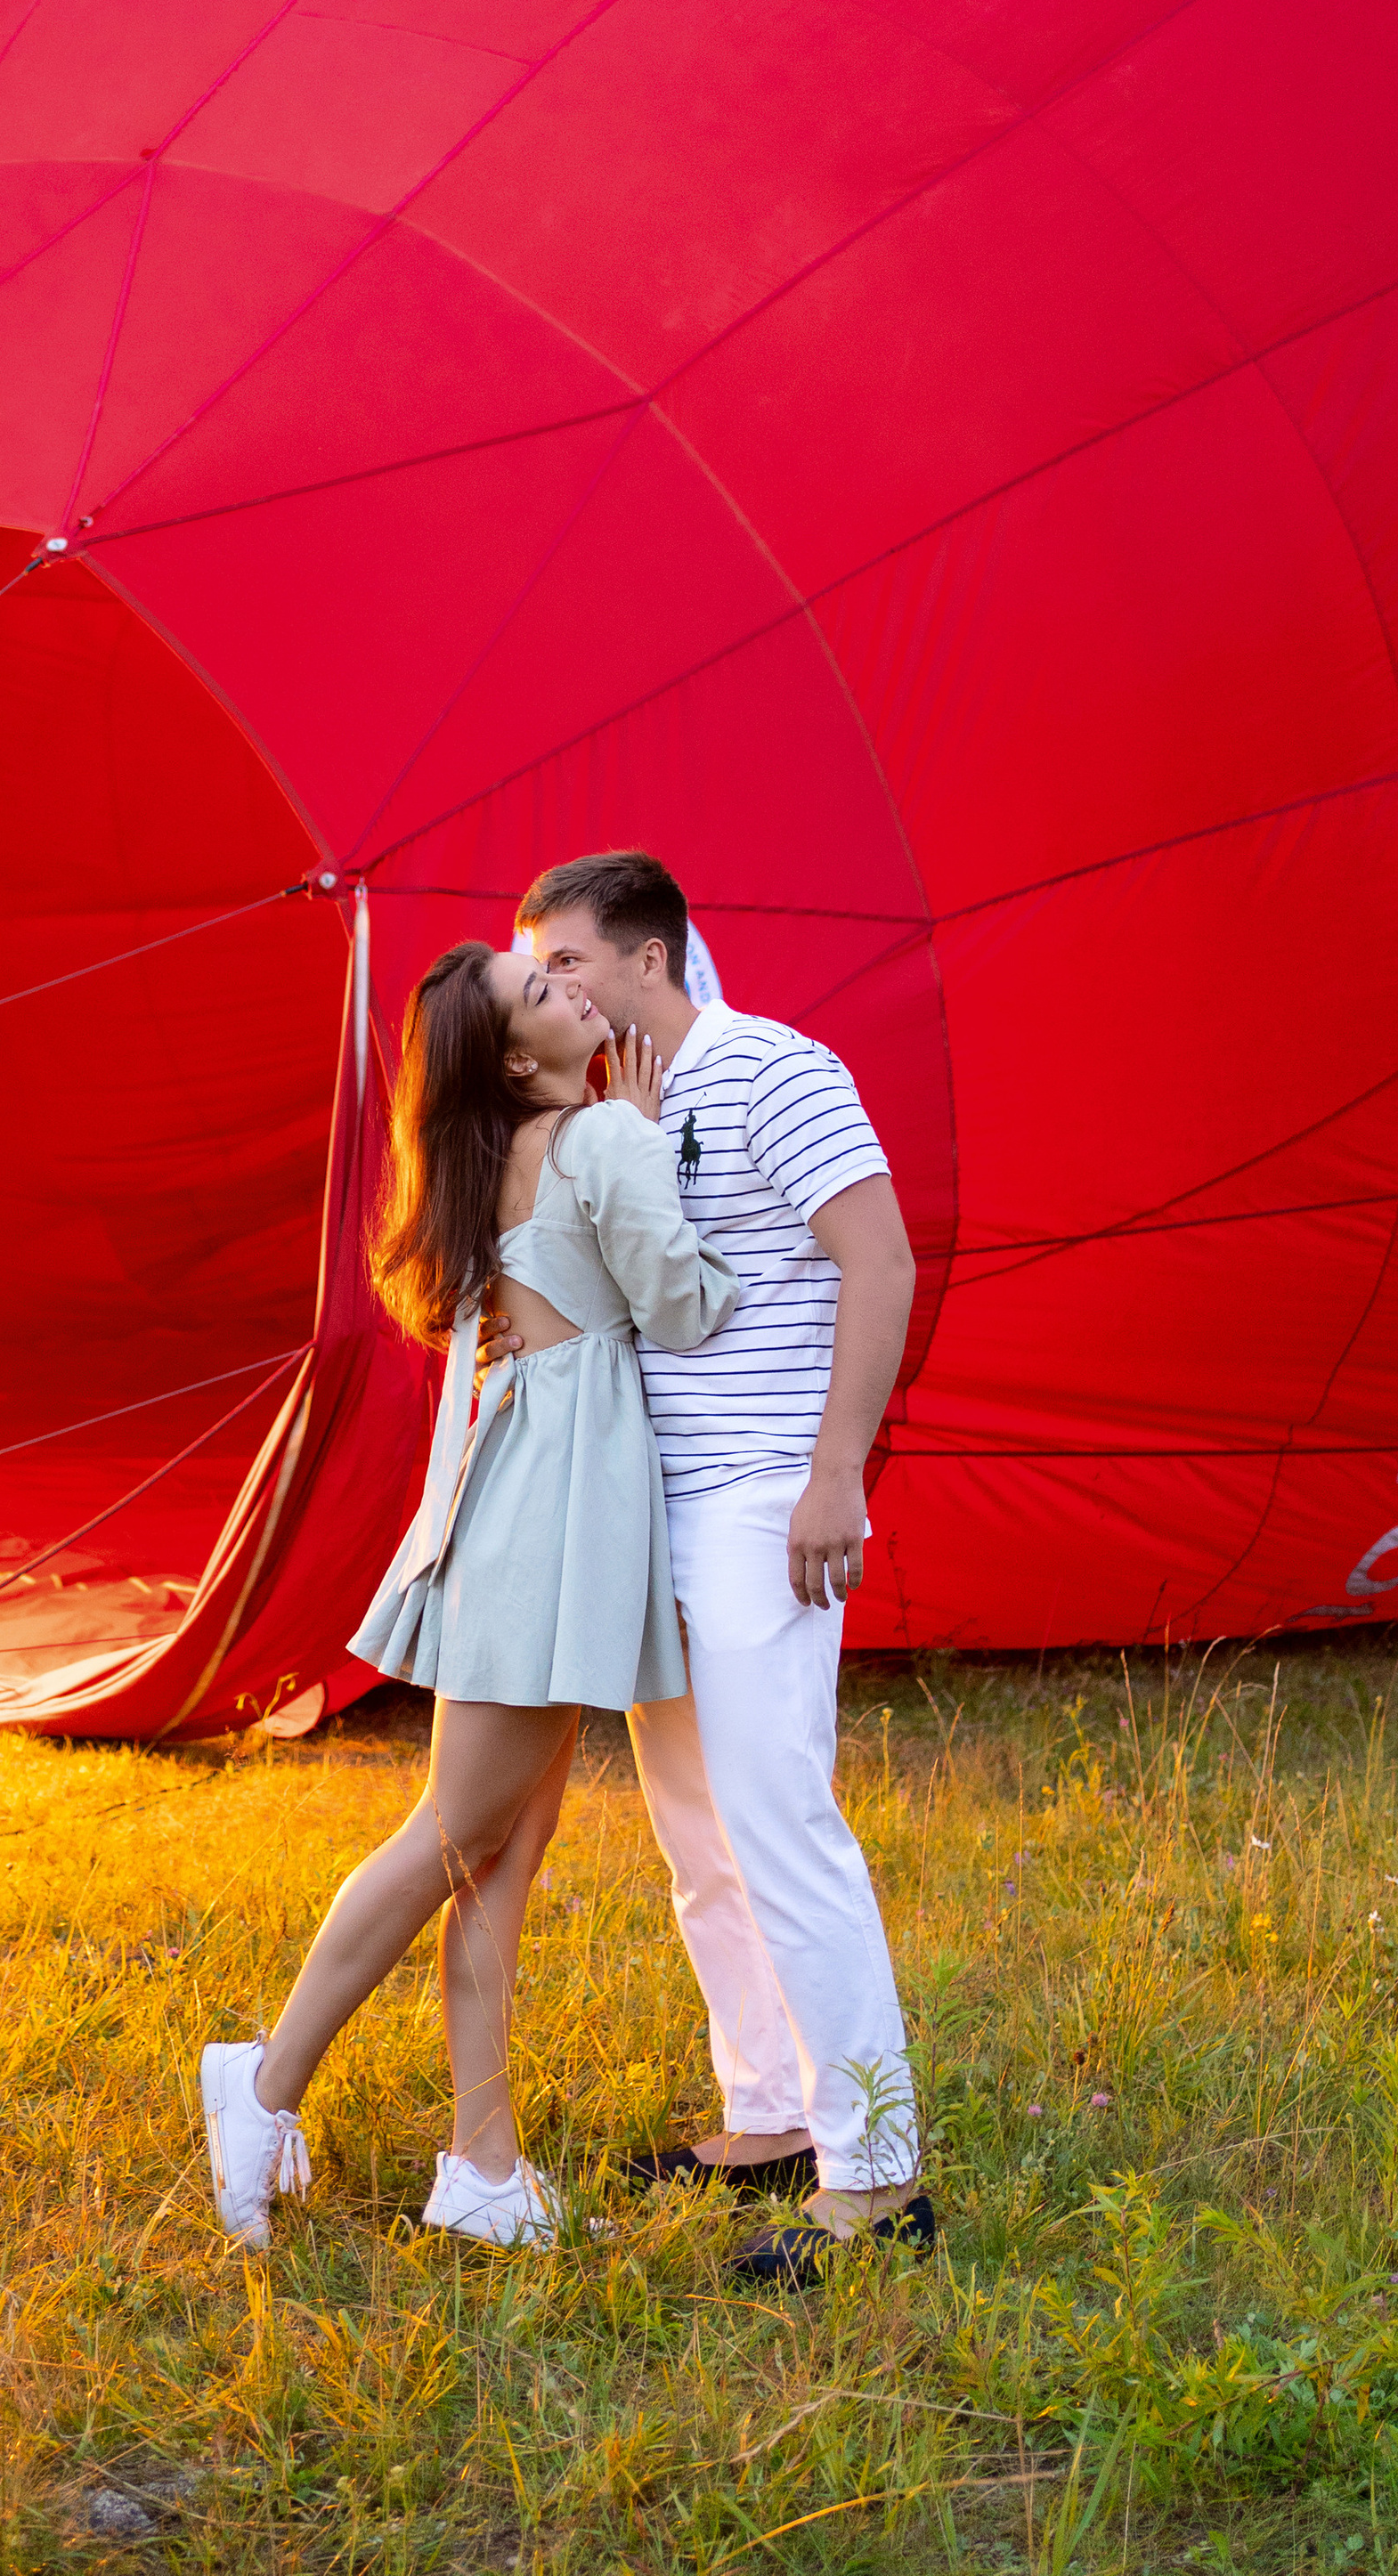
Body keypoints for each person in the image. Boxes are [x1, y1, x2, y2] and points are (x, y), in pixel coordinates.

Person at [199, 938, 737, 2251]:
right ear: (514, 1055)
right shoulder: (601, 1140)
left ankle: (481, 2169)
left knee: (498, 1859)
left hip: (529, 1514)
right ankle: (259, 2084)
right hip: (552, 1528)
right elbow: (691, 1308)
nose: (569, 990)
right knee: (452, 1838)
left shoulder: (505, 1156)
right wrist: (664, 1152)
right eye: (540, 992)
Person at [514, 849, 931, 2283]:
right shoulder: (614, 1102)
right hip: (656, 1511)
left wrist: (835, 1477)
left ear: (648, 958)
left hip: (765, 1501)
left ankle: (879, 2181)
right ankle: (768, 2115)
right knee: (697, 1839)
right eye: (537, 965)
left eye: (565, 959)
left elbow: (879, 1264)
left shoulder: (776, 1067)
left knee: (780, 1824)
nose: (550, 986)